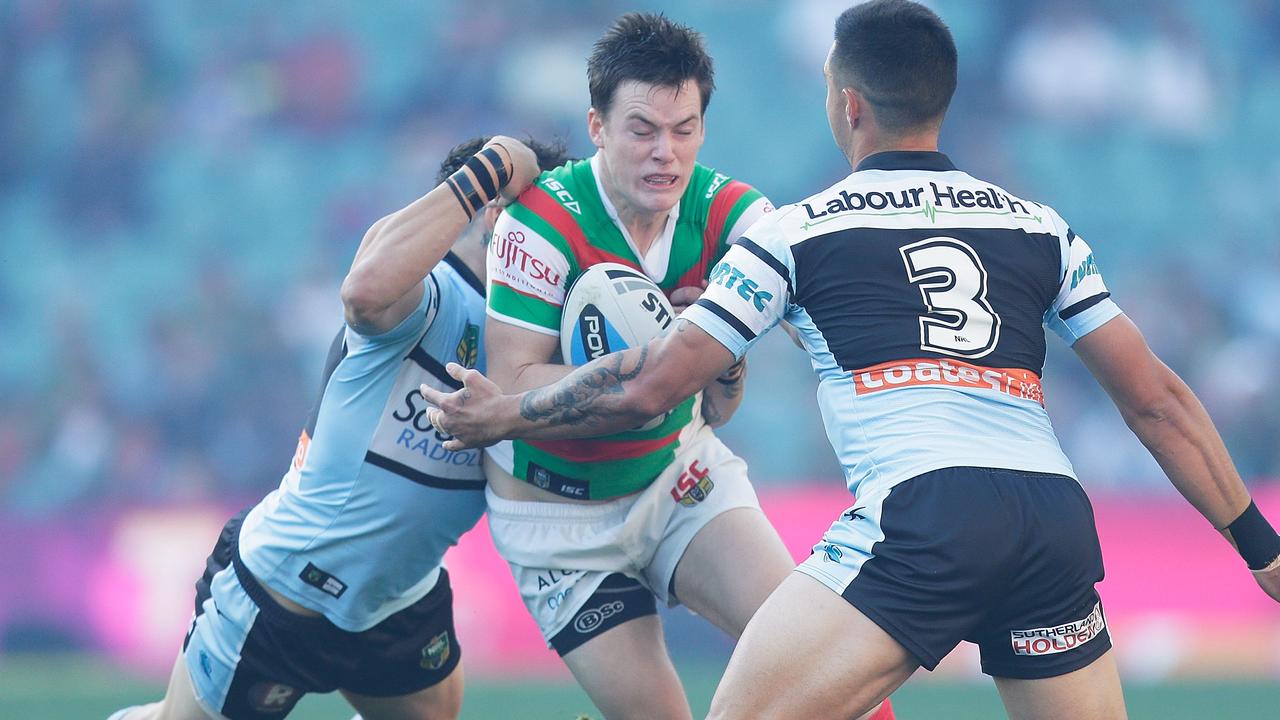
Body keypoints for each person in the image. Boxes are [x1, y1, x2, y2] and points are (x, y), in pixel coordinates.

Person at [420, 2, 1280, 719]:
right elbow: (1158, 400)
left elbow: (651, 386)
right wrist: (1261, 548)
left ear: (847, 105)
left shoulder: (795, 230)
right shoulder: (1037, 223)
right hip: (1051, 522)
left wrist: (501, 414)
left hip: (926, 516)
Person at [477, 12, 893, 720]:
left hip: (680, 477)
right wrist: (672, 357)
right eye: (642, 129)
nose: (664, 153)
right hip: (559, 524)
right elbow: (513, 386)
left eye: (684, 130)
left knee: (827, 668)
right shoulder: (540, 222)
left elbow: (825, 318)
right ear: (597, 127)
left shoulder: (733, 213)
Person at [109, 135, 566, 720]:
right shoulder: (432, 294)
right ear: (501, 212)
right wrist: (495, 167)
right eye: (549, 220)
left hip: (396, 601)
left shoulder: (541, 335)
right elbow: (364, 293)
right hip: (284, 591)